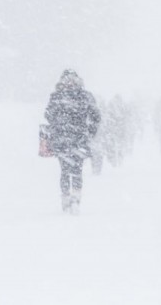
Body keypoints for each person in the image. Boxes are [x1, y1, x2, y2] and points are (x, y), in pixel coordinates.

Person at [44, 69, 101, 214]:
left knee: (64, 170)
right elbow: (96, 116)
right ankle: (75, 198)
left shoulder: (56, 95)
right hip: (79, 139)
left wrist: (59, 125)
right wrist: (90, 132)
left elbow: (48, 115)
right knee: (77, 170)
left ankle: (66, 199)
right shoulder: (85, 95)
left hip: (61, 139)